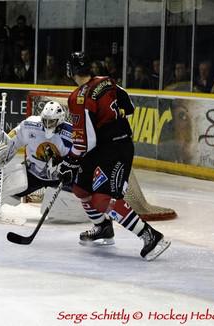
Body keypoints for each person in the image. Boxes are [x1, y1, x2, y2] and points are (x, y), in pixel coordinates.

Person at [58, 52, 170, 261]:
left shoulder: (77, 98)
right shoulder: (106, 82)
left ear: (70, 71)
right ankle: (103, 228)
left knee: (103, 200)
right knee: (80, 188)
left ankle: (151, 236)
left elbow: (85, 142)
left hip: (116, 150)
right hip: (102, 147)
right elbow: (130, 107)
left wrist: (70, 161)